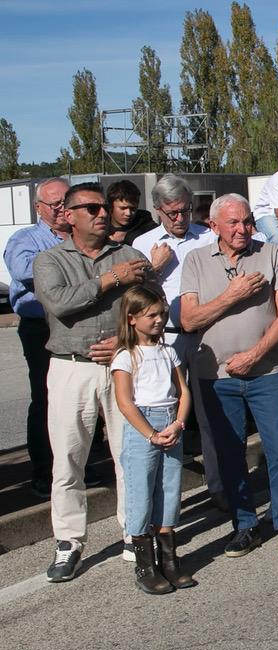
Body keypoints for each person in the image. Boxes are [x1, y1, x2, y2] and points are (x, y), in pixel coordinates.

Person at [33, 182, 158, 582]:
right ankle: (69, 542)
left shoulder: (131, 256)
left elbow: (156, 306)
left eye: (104, 207)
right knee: (69, 458)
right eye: (91, 208)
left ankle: (133, 533)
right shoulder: (50, 260)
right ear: (68, 216)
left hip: (123, 365)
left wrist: (126, 340)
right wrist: (111, 280)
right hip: (71, 368)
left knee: (129, 455)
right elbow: (59, 303)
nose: (102, 214)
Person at [180, 193, 278, 560]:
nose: (243, 229)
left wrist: (255, 354)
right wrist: (232, 294)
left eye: (248, 221)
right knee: (228, 453)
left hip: (266, 370)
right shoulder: (195, 261)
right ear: (213, 225)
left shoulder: (269, 254)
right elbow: (189, 320)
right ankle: (244, 525)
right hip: (215, 375)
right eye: (234, 223)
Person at [131, 175, 221, 508]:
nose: (180, 218)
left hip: (203, 336)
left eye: (184, 210)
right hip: (162, 341)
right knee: (162, 417)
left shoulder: (209, 238)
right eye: (171, 213)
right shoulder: (143, 245)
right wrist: (155, 268)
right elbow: (135, 296)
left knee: (210, 415)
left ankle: (219, 485)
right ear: (157, 211)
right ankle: (162, 499)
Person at [111, 284, 195, 594]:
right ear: (132, 318)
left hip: (170, 424)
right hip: (142, 428)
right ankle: (145, 566)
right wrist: (151, 433)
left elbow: (183, 391)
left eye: (162, 314)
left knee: (170, 490)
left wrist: (179, 424)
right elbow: (125, 402)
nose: (159, 320)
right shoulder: (125, 356)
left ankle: (170, 562)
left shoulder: (167, 350)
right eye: (151, 315)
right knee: (141, 492)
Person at [4, 176, 70, 498]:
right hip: (41, 328)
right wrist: (74, 265)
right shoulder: (24, 239)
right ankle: (44, 471)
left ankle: (79, 467)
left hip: (76, 324)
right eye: (53, 204)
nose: (61, 209)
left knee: (78, 400)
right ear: (38, 207)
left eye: (65, 202)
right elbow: (24, 271)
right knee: (45, 399)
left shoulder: (82, 237)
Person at [105, 180, 157, 246]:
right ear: (110, 207)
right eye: (123, 208)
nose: (128, 213)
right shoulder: (101, 225)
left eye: (132, 208)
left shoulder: (145, 223)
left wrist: (127, 237)